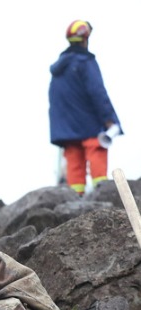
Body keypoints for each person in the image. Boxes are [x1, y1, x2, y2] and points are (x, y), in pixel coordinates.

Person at [49, 19, 122, 195]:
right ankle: (102, 195)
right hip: (89, 126)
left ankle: (75, 202)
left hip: (67, 130)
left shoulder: (59, 69)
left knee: (74, 163)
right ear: (85, 39)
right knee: (96, 150)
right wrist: (109, 120)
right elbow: (97, 93)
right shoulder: (85, 62)